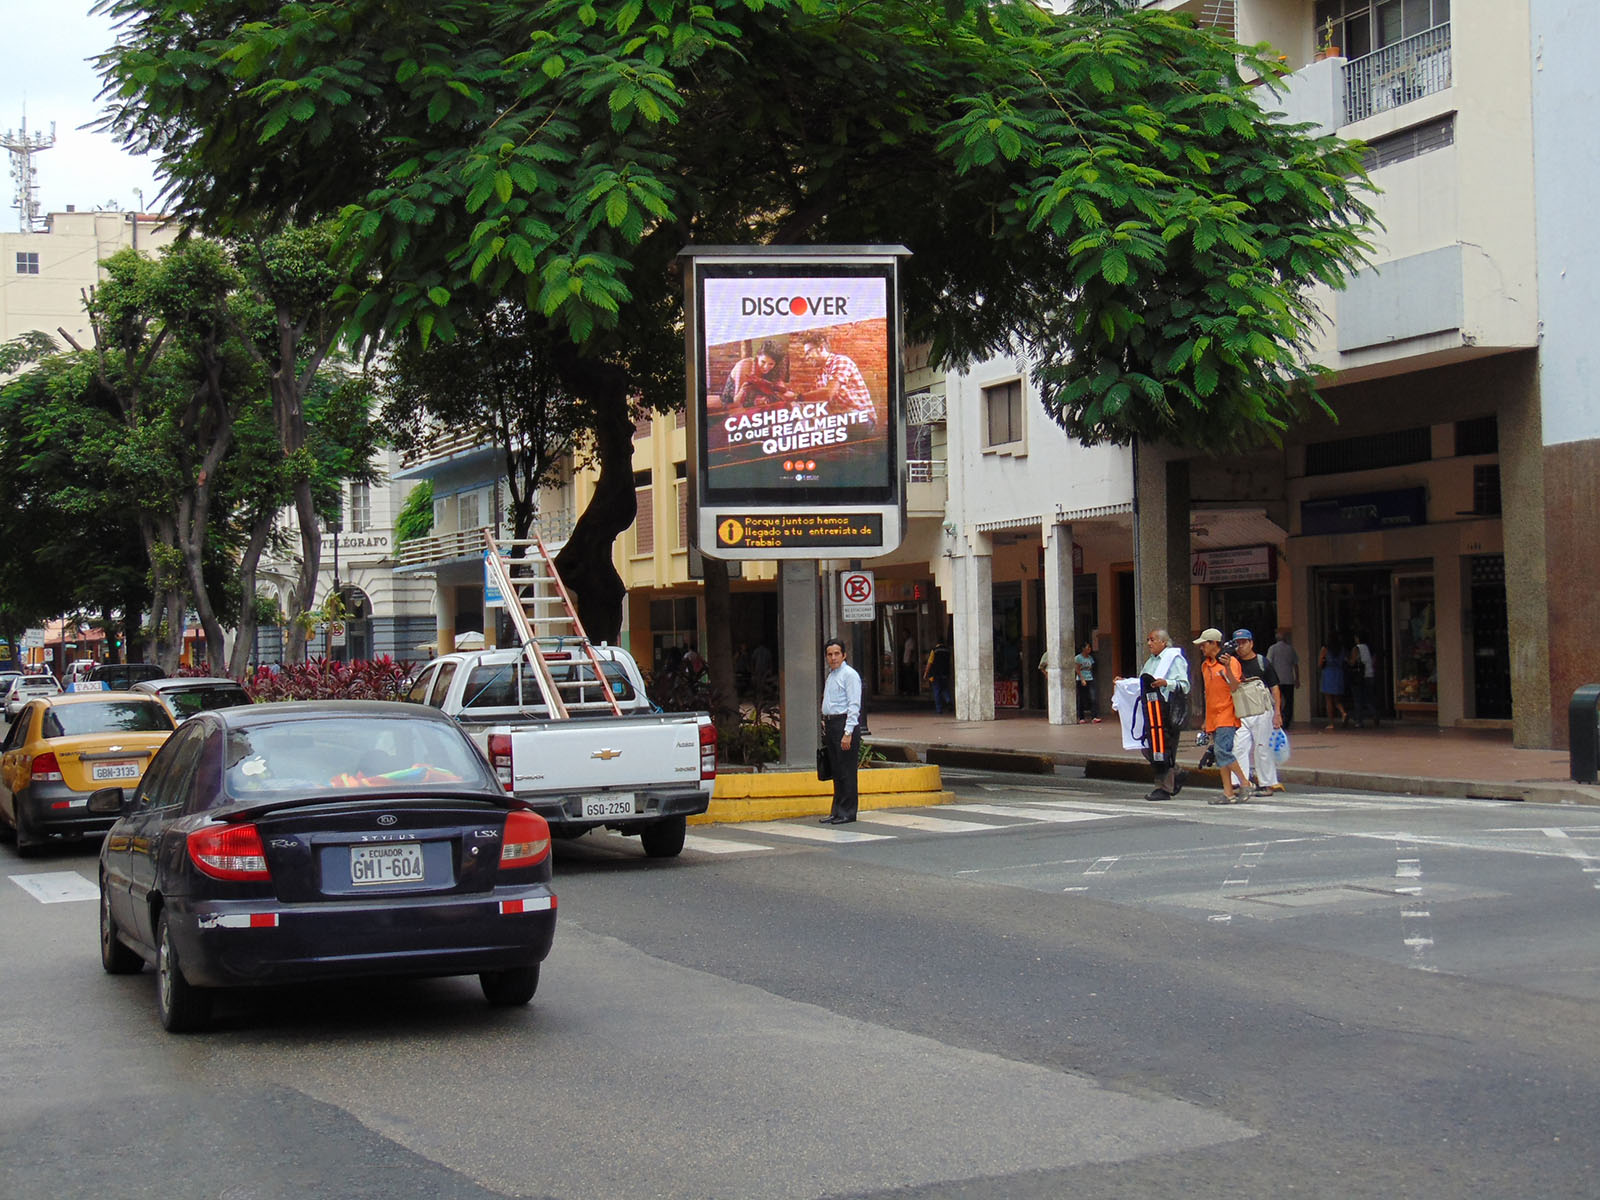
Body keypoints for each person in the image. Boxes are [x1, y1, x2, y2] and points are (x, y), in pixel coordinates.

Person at [1119, 629, 1189, 802]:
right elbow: (1143, 682)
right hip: (1152, 710)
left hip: (1168, 710)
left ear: (1164, 642)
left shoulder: (1174, 659)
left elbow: (1184, 685)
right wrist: (1124, 682)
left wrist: (1166, 682)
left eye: (1152, 640)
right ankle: (1177, 773)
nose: (1149, 643)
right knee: (1148, 747)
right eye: (1148, 640)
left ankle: (1163, 788)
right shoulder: (1152, 661)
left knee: (1163, 749)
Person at [1196, 628, 1253, 802]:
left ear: (1214, 643)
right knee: (1220, 754)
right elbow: (1208, 693)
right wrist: (1206, 719)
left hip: (1227, 713)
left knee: (1222, 751)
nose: (1201, 648)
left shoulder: (1232, 662)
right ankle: (1228, 792)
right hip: (1214, 715)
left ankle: (1244, 783)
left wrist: (1227, 667)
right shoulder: (1205, 666)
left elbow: (1235, 686)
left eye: (1204, 644)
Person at [1231, 629, 1283, 796]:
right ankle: (1241, 783)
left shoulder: (1263, 663)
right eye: (1237, 643)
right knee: (1238, 748)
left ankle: (1267, 784)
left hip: (1262, 712)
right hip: (1241, 713)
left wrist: (1277, 713)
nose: (1241, 646)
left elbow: (1275, 689)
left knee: (1262, 748)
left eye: (1244, 642)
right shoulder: (1233, 664)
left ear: (1251, 643)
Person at [819, 637, 862, 824]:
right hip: (831, 725)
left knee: (846, 770)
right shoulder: (832, 675)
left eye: (837, 654)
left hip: (844, 725)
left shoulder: (849, 675)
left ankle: (848, 812)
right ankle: (837, 810)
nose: (833, 657)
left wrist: (848, 732)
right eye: (830, 654)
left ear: (844, 655)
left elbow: (854, 704)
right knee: (836, 771)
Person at [798, 332, 877, 431]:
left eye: (809, 352)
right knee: (810, 427)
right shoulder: (820, 375)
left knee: (823, 426)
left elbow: (828, 393)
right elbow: (818, 401)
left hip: (862, 418)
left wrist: (798, 397)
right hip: (842, 418)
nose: (807, 357)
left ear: (821, 348)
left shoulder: (840, 361)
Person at [718, 342, 792, 409]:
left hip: (757, 402)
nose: (766, 367)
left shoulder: (775, 370)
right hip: (734, 402)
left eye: (771, 364)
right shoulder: (745, 366)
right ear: (757, 357)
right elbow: (736, 402)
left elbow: (785, 392)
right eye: (763, 362)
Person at [1266, 630, 1300, 727]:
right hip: (1289, 679)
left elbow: (1268, 663)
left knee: (1277, 700)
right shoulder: (1290, 649)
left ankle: (1277, 718)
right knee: (1289, 701)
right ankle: (1286, 720)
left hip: (1276, 680)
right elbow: (1296, 664)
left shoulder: (1272, 649)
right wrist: (1297, 678)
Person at [1348, 631, 1379, 728]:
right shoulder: (1369, 648)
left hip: (1359, 676)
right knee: (1368, 698)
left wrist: (1347, 660)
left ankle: (1359, 721)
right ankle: (1374, 713)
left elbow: (1352, 662)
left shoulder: (1356, 648)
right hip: (1370, 675)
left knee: (1358, 699)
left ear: (1357, 638)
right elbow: (1373, 660)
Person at [1319, 635, 1350, 729]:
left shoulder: (1325, 649)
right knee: (1337, 699)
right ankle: (1343, 712)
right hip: (1339, 673)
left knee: (1328, 700)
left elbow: (1319, 663)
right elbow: (1347, 660)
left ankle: (1331, 723)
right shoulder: (1342, 649)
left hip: (1328, 673)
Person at [1073, 640, 1100, 724]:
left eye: (1089, 647)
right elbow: (1077, 669)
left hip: (1090, 678)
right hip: (1081, 679)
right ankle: (1081, 717)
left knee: (1093, 697)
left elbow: (1091, 667)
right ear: (1083, 649)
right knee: (1081, 698)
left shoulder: (1090, 658)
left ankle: (1094, 716)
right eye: (1087, 647)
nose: (1089, 649)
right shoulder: (1078, 658)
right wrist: (1082, 679)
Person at [924, 639, 953, 715]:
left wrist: (926, 673)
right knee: (945, 688)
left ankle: (939, 709)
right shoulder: (947, 651)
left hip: (935, 674)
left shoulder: (934, 650)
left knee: (937, 691)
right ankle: (948, 700)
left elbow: (930, 663)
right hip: (945, 673)